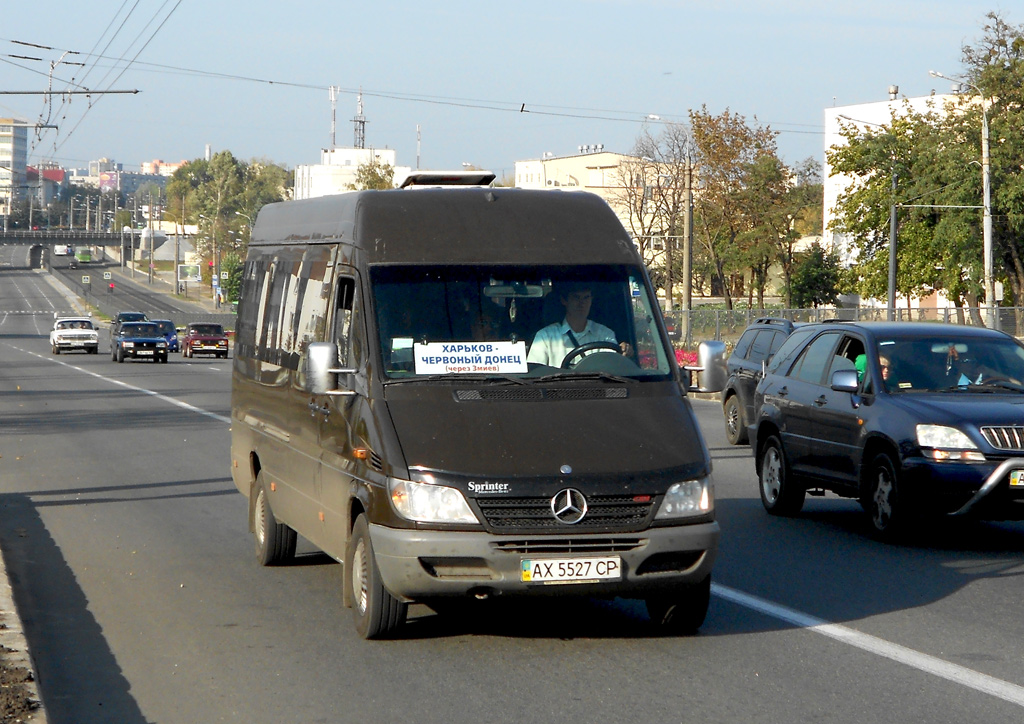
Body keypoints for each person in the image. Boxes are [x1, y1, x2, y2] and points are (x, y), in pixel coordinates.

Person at [527, 283, 631, 367]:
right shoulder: (545, 337)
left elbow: (612, 368)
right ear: (564, 301)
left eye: (586, 297)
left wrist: (623, 352)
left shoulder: (604, 334)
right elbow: (535, 374)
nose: (582, 303)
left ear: (591, 300)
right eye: (576, 297)